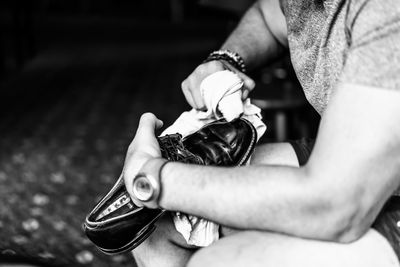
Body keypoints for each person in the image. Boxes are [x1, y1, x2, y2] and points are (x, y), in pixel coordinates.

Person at [123, 0, 400, 266]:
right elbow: (270, 15)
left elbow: (335, 204)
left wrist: (155, 180)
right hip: (359, 148)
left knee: (220, 262)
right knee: (153, 226)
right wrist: (227, 59)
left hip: (351, 190)